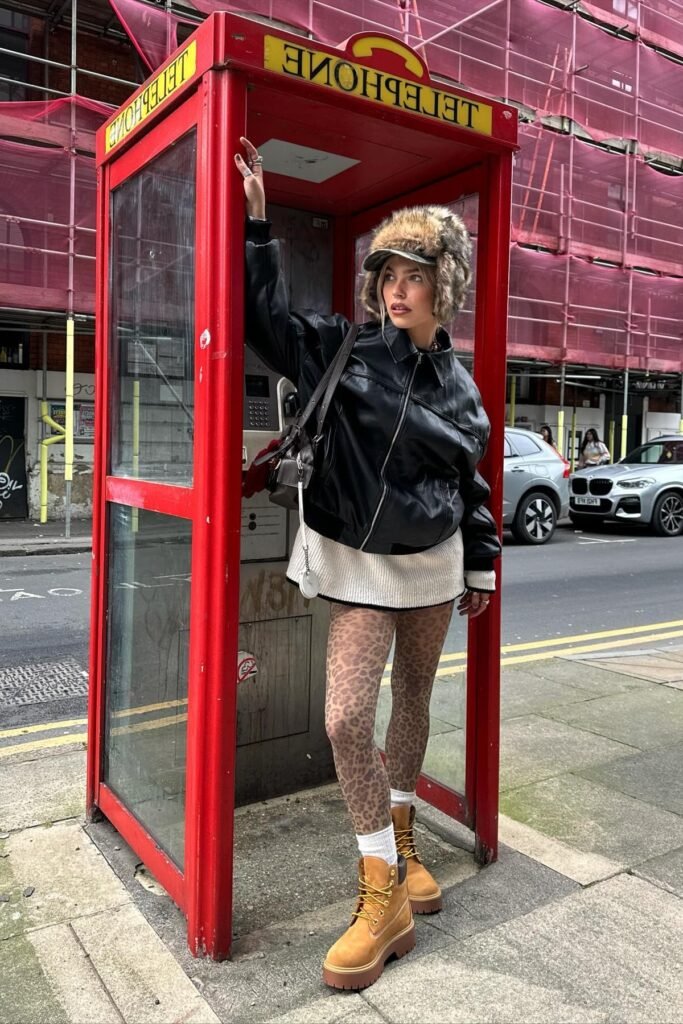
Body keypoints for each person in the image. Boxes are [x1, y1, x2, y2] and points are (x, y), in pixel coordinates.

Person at [235, 137, 500, 991]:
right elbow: (264, 326)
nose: (393, 288)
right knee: (347, 718)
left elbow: (473, 486)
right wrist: (258, 225)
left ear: (441, 287)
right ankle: (378, 887)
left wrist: (482, 567)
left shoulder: (462, 391)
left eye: (411, 274)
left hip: (434, 569)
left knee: (411, 705)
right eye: (384, 273)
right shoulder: (345, 350)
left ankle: (403, 844)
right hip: (358, 565)